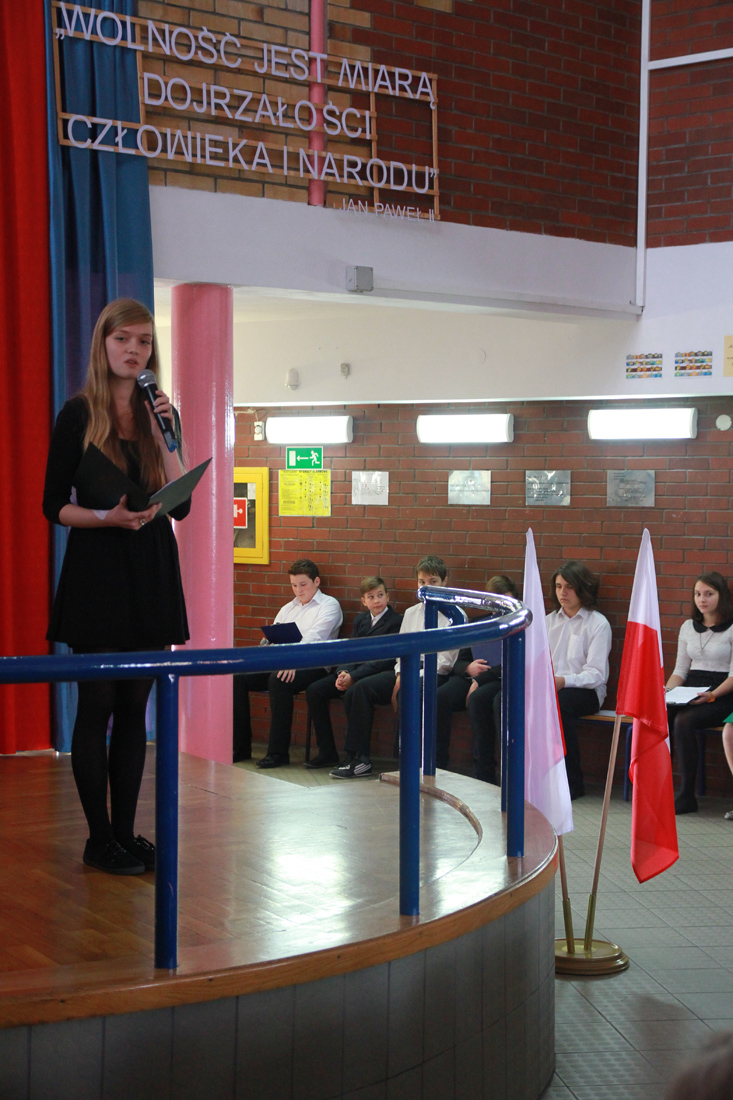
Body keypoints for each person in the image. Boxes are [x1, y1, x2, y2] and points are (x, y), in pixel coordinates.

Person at [43, 298, 191, 876]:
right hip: (99, 568)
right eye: (123, 339)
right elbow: (53, 505)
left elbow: (181, 501)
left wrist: (166, 437)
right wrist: (106, 518)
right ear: (103, 344)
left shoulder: (161, 414)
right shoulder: (79, 413)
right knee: (99, 702)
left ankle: (127, 833)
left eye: (144, 341)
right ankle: (98, 838)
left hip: (151, 567)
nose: (134, 350)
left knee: (135, 706)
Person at [330, 554, 462, 779]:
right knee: (360, 689)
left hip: (433, 673)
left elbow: (445, 663)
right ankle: (359, 759)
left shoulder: (455, 615)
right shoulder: (411, 613)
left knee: (409, 692)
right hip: (405, 668)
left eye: (433, 582)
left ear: (445, 582)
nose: (427, 587)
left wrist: (407, 678)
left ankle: (409, 763)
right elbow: (401, 651)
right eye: (422, 582)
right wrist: (401, 675)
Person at [233, 559, 342, 768]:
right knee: (239, 678)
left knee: (278, 680)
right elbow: (275, 635)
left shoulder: (329, 605)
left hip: (314, 665)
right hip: (284, 662)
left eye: (303, 585)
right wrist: (267, 644)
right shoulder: (288, 608)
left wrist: (293, 660)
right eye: (294, 585)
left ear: (316, 581)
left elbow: (315, 638)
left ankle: (278, 753)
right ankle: (240, 747)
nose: (298, 590)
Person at [304, 577, 402, 768]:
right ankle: (327, 752)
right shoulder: (361, 620)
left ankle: (356, 756)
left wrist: (353, 677)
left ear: (388, 596)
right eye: (371, 597)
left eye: (380, 595)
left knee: (355, 691)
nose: (377, 600)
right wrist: (344, 671)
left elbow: (384, 659)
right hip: (354, 671)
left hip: (378, 673)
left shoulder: (396, 622)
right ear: (364, 601)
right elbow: (350, 650)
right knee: (315, 690)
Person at [666, 571, 733, 815]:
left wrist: (712, 695)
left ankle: (686, 795)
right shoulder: (688, 627)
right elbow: (680, 670)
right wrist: (667, 691)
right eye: (697, 594)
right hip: (691, 688)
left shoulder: (732, 628)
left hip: (722, 693)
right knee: (661, 713)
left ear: (721, 596)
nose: (702, 599)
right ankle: (658, 787)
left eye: (708, 594)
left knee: (684, 721)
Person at [545, 560, 612, 800]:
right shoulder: (548, 621)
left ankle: (571, 782)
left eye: (569, 586)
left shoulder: (598, 623)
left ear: (582, 588)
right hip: (551, 687)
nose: (562, 592)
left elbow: (597, 674)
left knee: (558, 707)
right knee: (505, 700)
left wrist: (563, 680)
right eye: (558, 586)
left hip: (587, 691)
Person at [464, 574, 520, 784]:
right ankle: (483, 772)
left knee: (498, 701)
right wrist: (468, 668)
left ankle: (508, 772)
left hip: (508, 677)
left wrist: (480, 680)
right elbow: (461, 658)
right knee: (478, 699)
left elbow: (513, 661)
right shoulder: (481, 623)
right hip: (488, 678)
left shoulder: (520, 623)